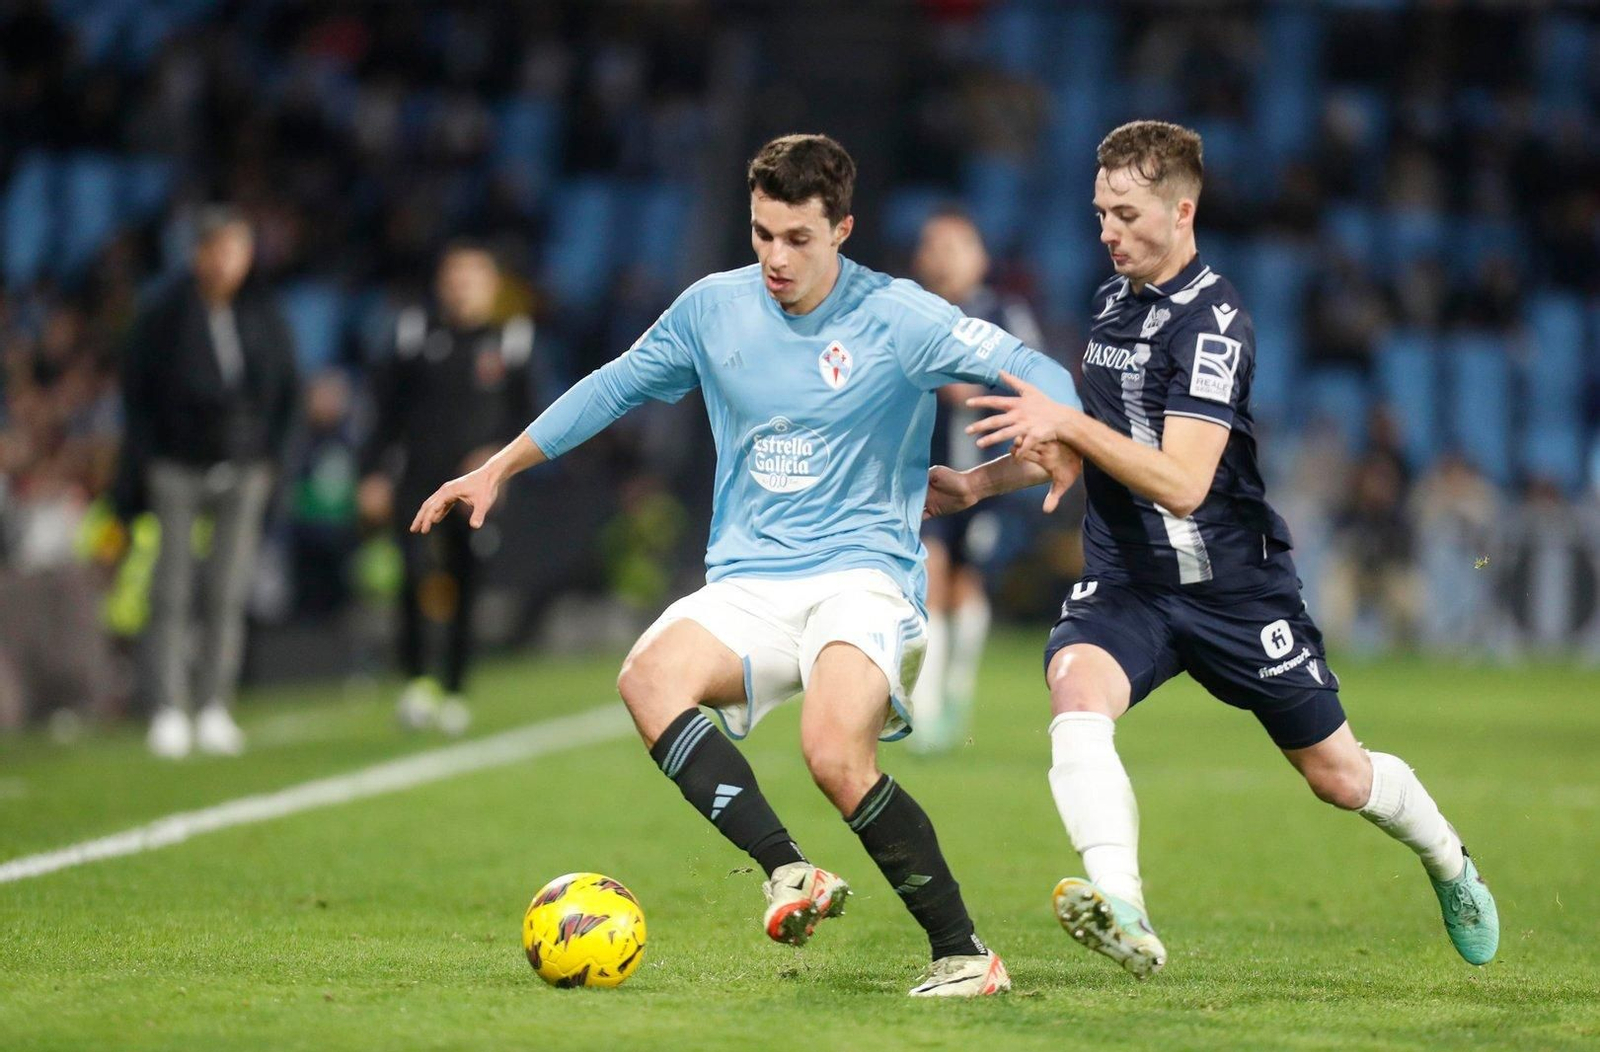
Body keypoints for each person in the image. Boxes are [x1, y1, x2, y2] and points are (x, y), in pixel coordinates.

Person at [411, 134, 1081, 996]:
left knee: (833, 753)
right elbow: (612, 385)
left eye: (798, 238)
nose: (775, 257)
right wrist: (497, 467)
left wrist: (1016, 456)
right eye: (762, 233)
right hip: (750, 582)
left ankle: (963, 953)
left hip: (861, 575)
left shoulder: (901, 317)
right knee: (648, 679)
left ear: (843, 228)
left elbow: (1041, 372)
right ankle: (791, 871)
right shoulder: (710, 309)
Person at [931, 120, 1498, 977]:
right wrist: (977, 485)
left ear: (1181, 210)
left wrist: (1069, 421)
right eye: (1098, 214)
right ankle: (1121, 904)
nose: (1106, 232)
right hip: (1131, 583)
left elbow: (1184, 481)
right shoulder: (1112, 306)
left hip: (1236, 590)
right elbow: (1087, 444)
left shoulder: (1215, 322)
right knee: (1075, 692)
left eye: (1123, 214)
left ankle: (1451, 862)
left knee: (1339, 777)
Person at [115, 206, 299, 759]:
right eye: (216, 249)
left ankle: (214, 705)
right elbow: (137, 397)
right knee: (170, 589)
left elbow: (287, 393)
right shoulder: (162, 314)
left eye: (237, 251)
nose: (226, 262)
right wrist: (144, 466)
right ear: (197, 254)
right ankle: (167, 707)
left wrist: (273, 461)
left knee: (227, 590)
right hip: (177, 464)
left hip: (244, 468)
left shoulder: (264, 313)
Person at [359, 241, 539, 735]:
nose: (461, 287)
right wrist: (372, 473)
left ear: (491, 285)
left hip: (477, 487)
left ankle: (456, 688)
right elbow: (384, 412)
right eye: (453, 276)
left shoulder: (512, 340)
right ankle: (417, 682)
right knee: (413, 578)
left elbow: (532, 419)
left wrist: (498, 463)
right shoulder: (414, 335)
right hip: (417, 479)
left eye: (472, 277)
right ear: (441, 283)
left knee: (466, 581)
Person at [908, 207, 1047, 753]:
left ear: (977, 257)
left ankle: (957, 689)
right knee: (930, 573)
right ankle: (925, 708)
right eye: (930, 246)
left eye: (950, 246)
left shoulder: (1002, 313)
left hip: (985, 474)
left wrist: (970, 390)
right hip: (924, 471)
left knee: (967, 585)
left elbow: (1034, 377)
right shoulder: (914, 314)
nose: (937, 257)